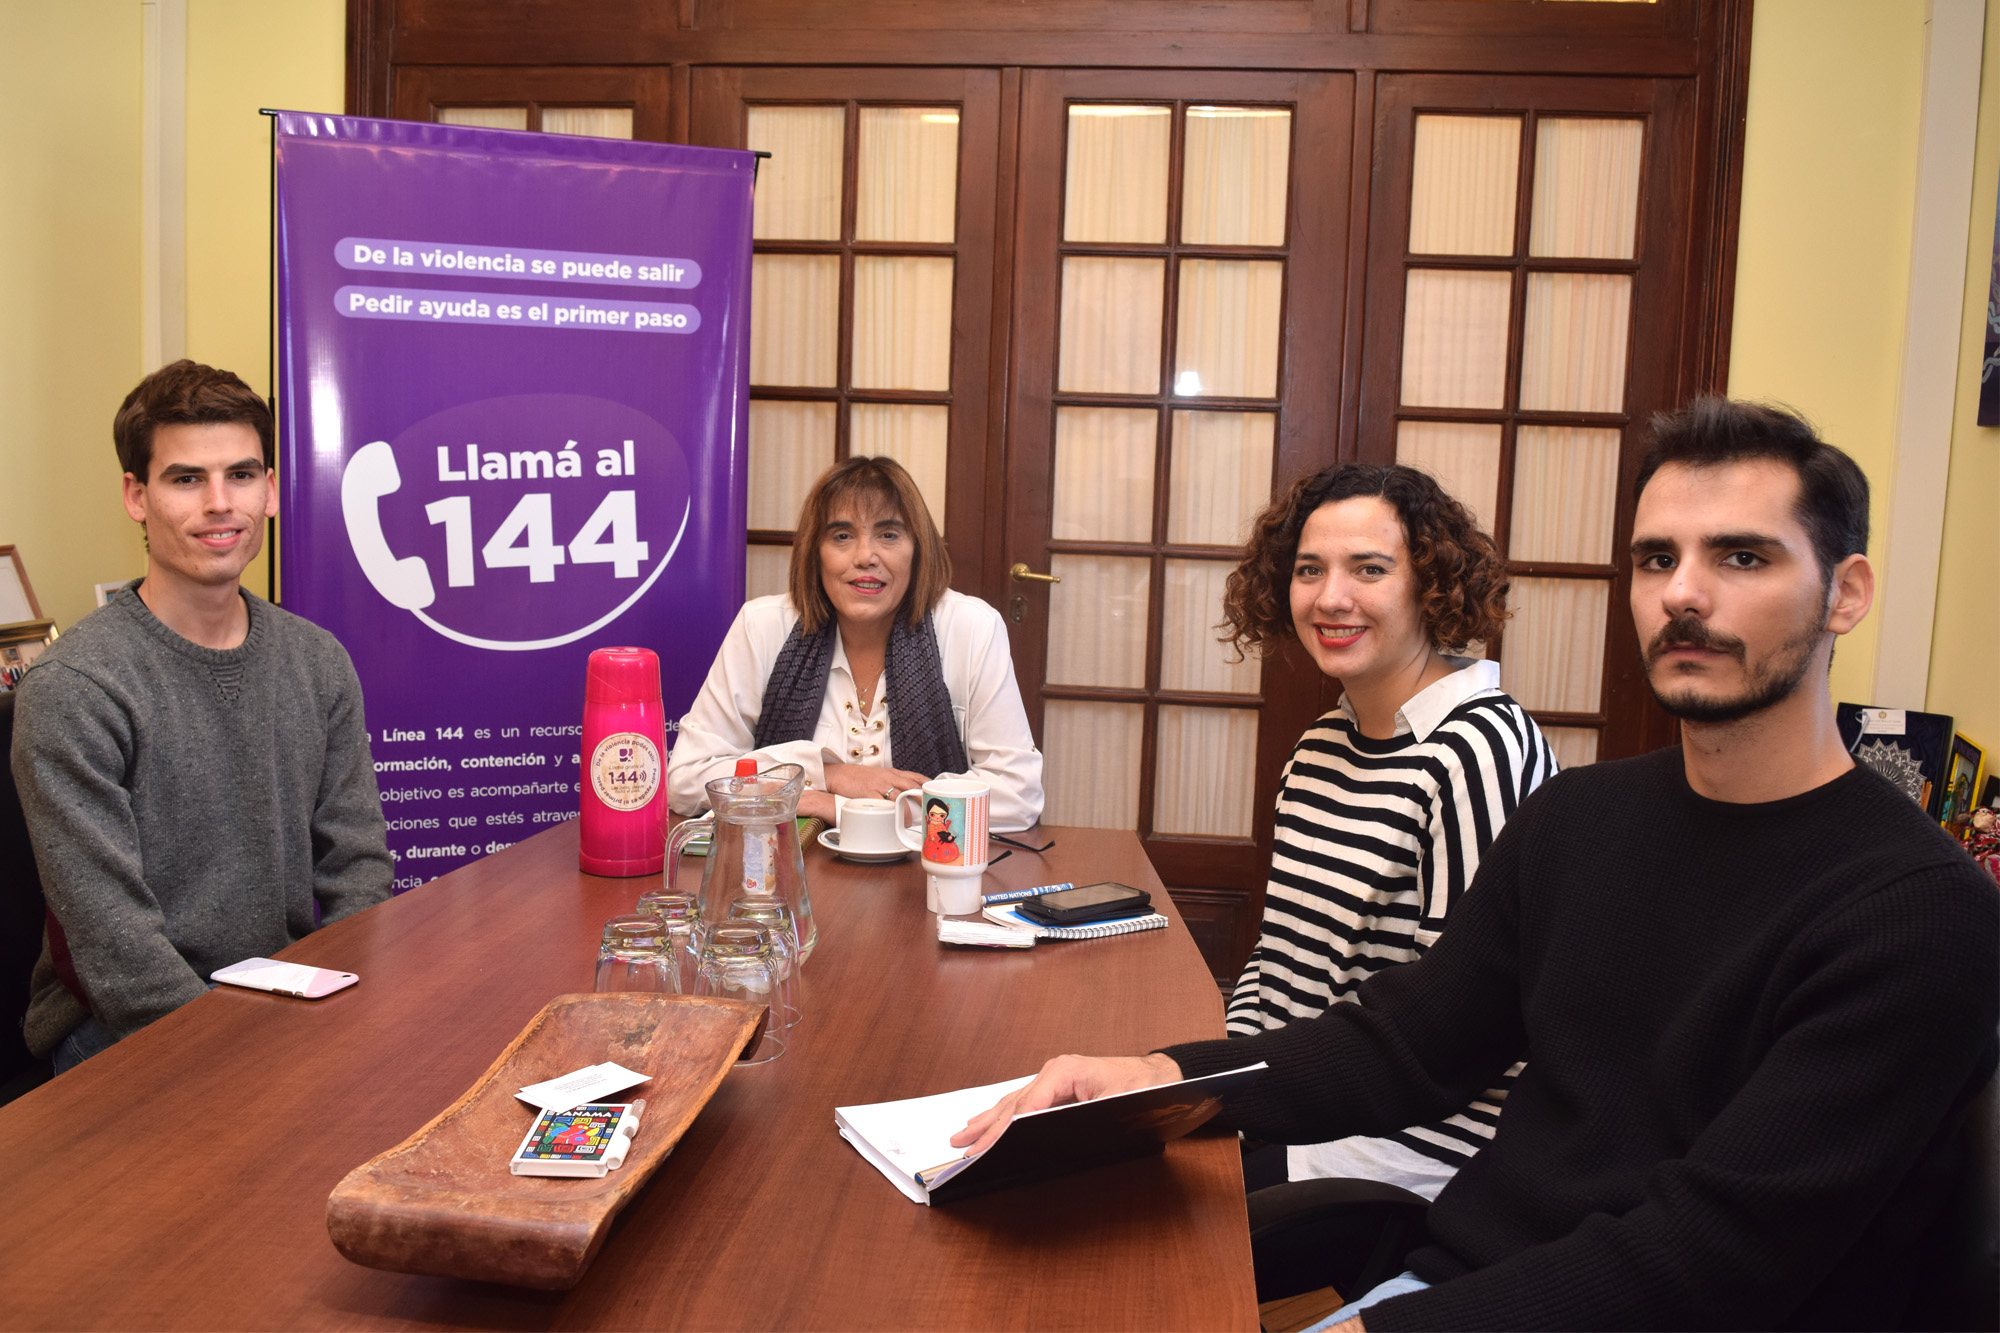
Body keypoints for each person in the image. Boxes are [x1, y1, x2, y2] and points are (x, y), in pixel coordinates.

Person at [955, 398, 1997, 1330]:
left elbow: (1708, 1257)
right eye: (1652, 559)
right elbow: (1400, 1046)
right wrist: (1160, 1077)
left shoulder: (1912, 913)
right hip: (1460, 1284)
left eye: (1740, 557)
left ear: (1844, 591)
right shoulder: (1580, 819)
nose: (1682, 594)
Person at [12, 360, 393, 1074]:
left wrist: (339, 1018)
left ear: (272, 489)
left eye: (243, 475)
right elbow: (116, 951)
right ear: (136, 494)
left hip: (290, 1009)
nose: (221, 504)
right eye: (187, 479)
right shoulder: (74, 685)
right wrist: (249, 1064)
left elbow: (358, 870)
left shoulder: (318, 661)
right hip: (122, 1033)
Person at [1220, 463, 1554, 1197]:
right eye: (1310, 570)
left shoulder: (1481, 747)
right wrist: (1211, 1082)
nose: (1331, 597)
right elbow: (1276, 965)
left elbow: (1459, 1028)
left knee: (1141, 1230)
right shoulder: (1318, 748)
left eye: (1369, 569)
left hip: (1411, 1140)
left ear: (1429, 583)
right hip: (1297, 1097)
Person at [671, 456, 1043, 829]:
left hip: (928, 873)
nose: (866, 557)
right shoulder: (763, 626)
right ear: (815, 552)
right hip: (789, 873)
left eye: (889, 535)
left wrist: (852, 810)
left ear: (917, 549)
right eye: (842, 536)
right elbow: (687, 779)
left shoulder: (971, 627)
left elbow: (1017, 794)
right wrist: (828, 775)